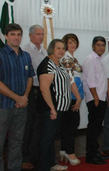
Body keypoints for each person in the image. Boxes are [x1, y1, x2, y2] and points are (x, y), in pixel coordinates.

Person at [37, 39, 80, 171]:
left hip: (61, 108)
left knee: (51, 139)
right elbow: (44, 88)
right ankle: (43, 167)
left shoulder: (60, 64)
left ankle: (51, 164)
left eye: (63, 48)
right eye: (58, 48)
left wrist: (77, 97)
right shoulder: (47, 64)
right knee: (46, 139)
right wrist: (52, 108)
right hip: (51, 109)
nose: (61, 50)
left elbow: (68, 82)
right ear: (51, 49)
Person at [0, 23, 34, 171]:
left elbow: (30, 78)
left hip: (22, 106)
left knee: (17, 141)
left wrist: (24, 96)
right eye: (13, 34)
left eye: (19, 34)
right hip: (3, 107)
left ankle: (14, 168)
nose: (16, 37)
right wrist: (17, 98)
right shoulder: (0, 55)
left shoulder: (26, 56)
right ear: (6, 36)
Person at [22, 24, 47, 170]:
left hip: (42, 90)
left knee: (38, 125)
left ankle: (34, 156)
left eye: (42, 34)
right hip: (29, 90)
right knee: (27, 126)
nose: (41, 37)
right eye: (38, 34)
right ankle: (24, 157)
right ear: (30, 35)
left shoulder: (43, 51)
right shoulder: (25, 50)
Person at [82, 36, 109, 164]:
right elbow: (90, 80)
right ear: (93, 46)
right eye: (98, 45)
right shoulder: (90, 59)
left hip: (101, 97)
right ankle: (90, 155)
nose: (101, 47)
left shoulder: (100, 59)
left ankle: (95, 152)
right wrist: (96, 98)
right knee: (93, 128)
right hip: (95, 98)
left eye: (103, 45)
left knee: (97, 128)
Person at [59, 34, 83, 165]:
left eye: (74, 42)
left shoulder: (72, 57)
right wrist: (78, 98)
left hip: (74, 94)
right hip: (72, 95)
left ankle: (64, 149)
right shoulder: (66, 58)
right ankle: (70, 151)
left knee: (68, 124)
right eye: (70, 43)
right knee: (72, 124)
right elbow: (70, 78)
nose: (73, 45)